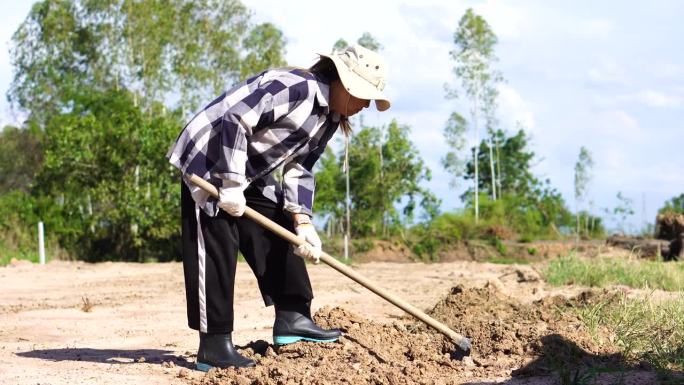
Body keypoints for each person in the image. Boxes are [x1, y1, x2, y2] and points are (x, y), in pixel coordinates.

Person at [166, 45, 390, 371]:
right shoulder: (297, 87)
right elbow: (236, 118)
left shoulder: (328, 119)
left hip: (246, 170)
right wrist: (229, 184)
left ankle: (293, 317)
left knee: (279, 220)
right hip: (209, 158)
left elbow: (301, 170)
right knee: (218, 238)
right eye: (364, 97)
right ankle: (213, 345)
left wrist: (302, 223)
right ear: (345, 82)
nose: (364, 106)